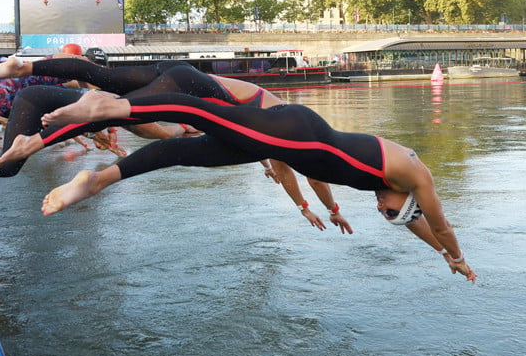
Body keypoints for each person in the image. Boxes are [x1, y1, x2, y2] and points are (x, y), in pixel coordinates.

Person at [36, 90, 477, 282]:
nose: (381, 207)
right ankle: (108, 107)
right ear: (408, 200)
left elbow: (321, 174)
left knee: (181, 153)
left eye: (383, 213)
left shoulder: (389, 190)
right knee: (199, 112)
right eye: (388, 210)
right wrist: (455, 255)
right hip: (297, 130)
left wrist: (329, 209)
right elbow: (438, 223)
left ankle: (96, 181)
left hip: (294, 145)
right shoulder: (416, 177)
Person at [0, 55, 349, 231]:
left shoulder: (272, 121)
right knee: (130, 118)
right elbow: (310, 173)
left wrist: (301, 205)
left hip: (179, 73)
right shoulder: (288, 133)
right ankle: (54, 150)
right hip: (191, 89)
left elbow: (285, 169)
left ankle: (23, 67)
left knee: (101, 75)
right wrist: (327, 208)